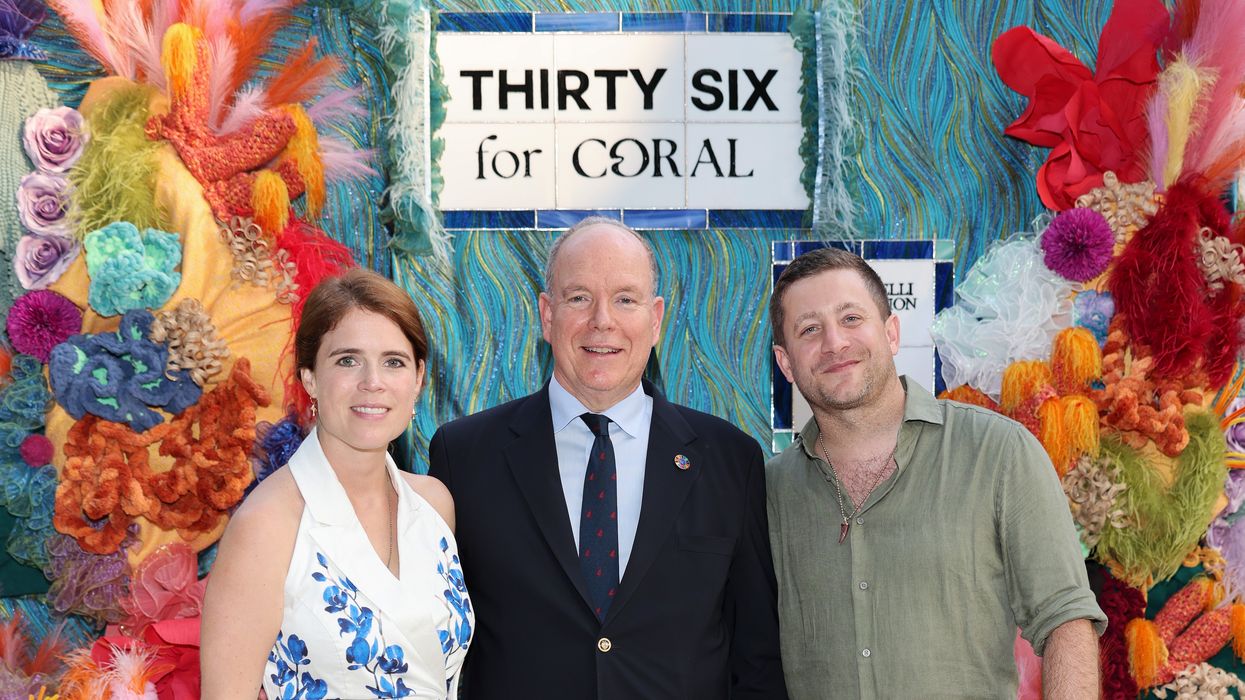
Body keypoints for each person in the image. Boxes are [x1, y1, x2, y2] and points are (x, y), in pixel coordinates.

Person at [429, 217, 788, 699]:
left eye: (625, 299)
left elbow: (757, 659)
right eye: (579, 298)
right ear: (546, 315)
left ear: (655, 319)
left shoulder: (729, 460)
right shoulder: (464, 456)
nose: (603, 321)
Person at [766, 247, 1105, 699]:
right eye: (809, 329)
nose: (834, 343)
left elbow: (1065, 617)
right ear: (786, 362)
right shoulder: (769, 491)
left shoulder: (998, 452)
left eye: (851, 319)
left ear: (890, 332)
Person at [201, 268, 473, 699]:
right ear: (309, 377)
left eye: (394, 362)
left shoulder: (434, 504)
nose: (373, 383)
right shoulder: (268, 526)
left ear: (419, 378)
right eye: (348, 360)